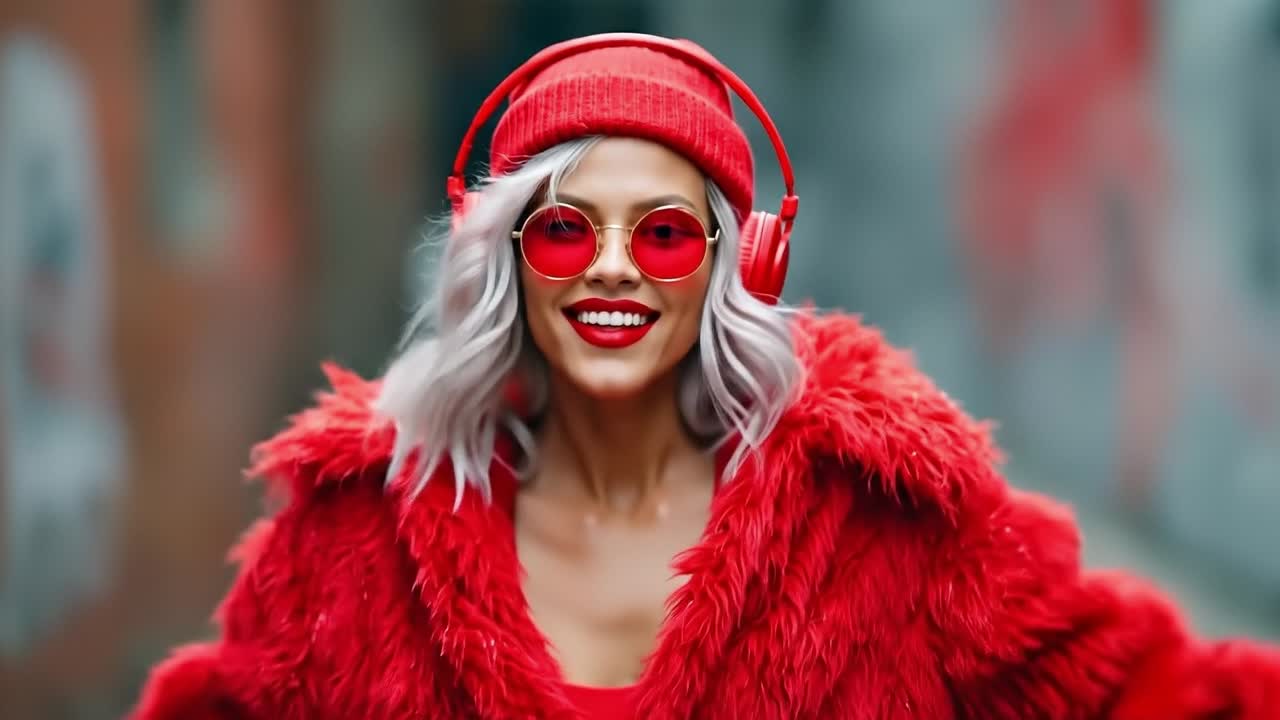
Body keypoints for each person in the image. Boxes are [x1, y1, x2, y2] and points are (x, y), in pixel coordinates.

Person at [131, 33, 1280, 720]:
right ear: (506, 261)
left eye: (666, 235)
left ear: (739, 268)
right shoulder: (348, 546)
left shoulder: (886, 524)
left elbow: (1158, 693)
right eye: (568, 231)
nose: (614, 271)